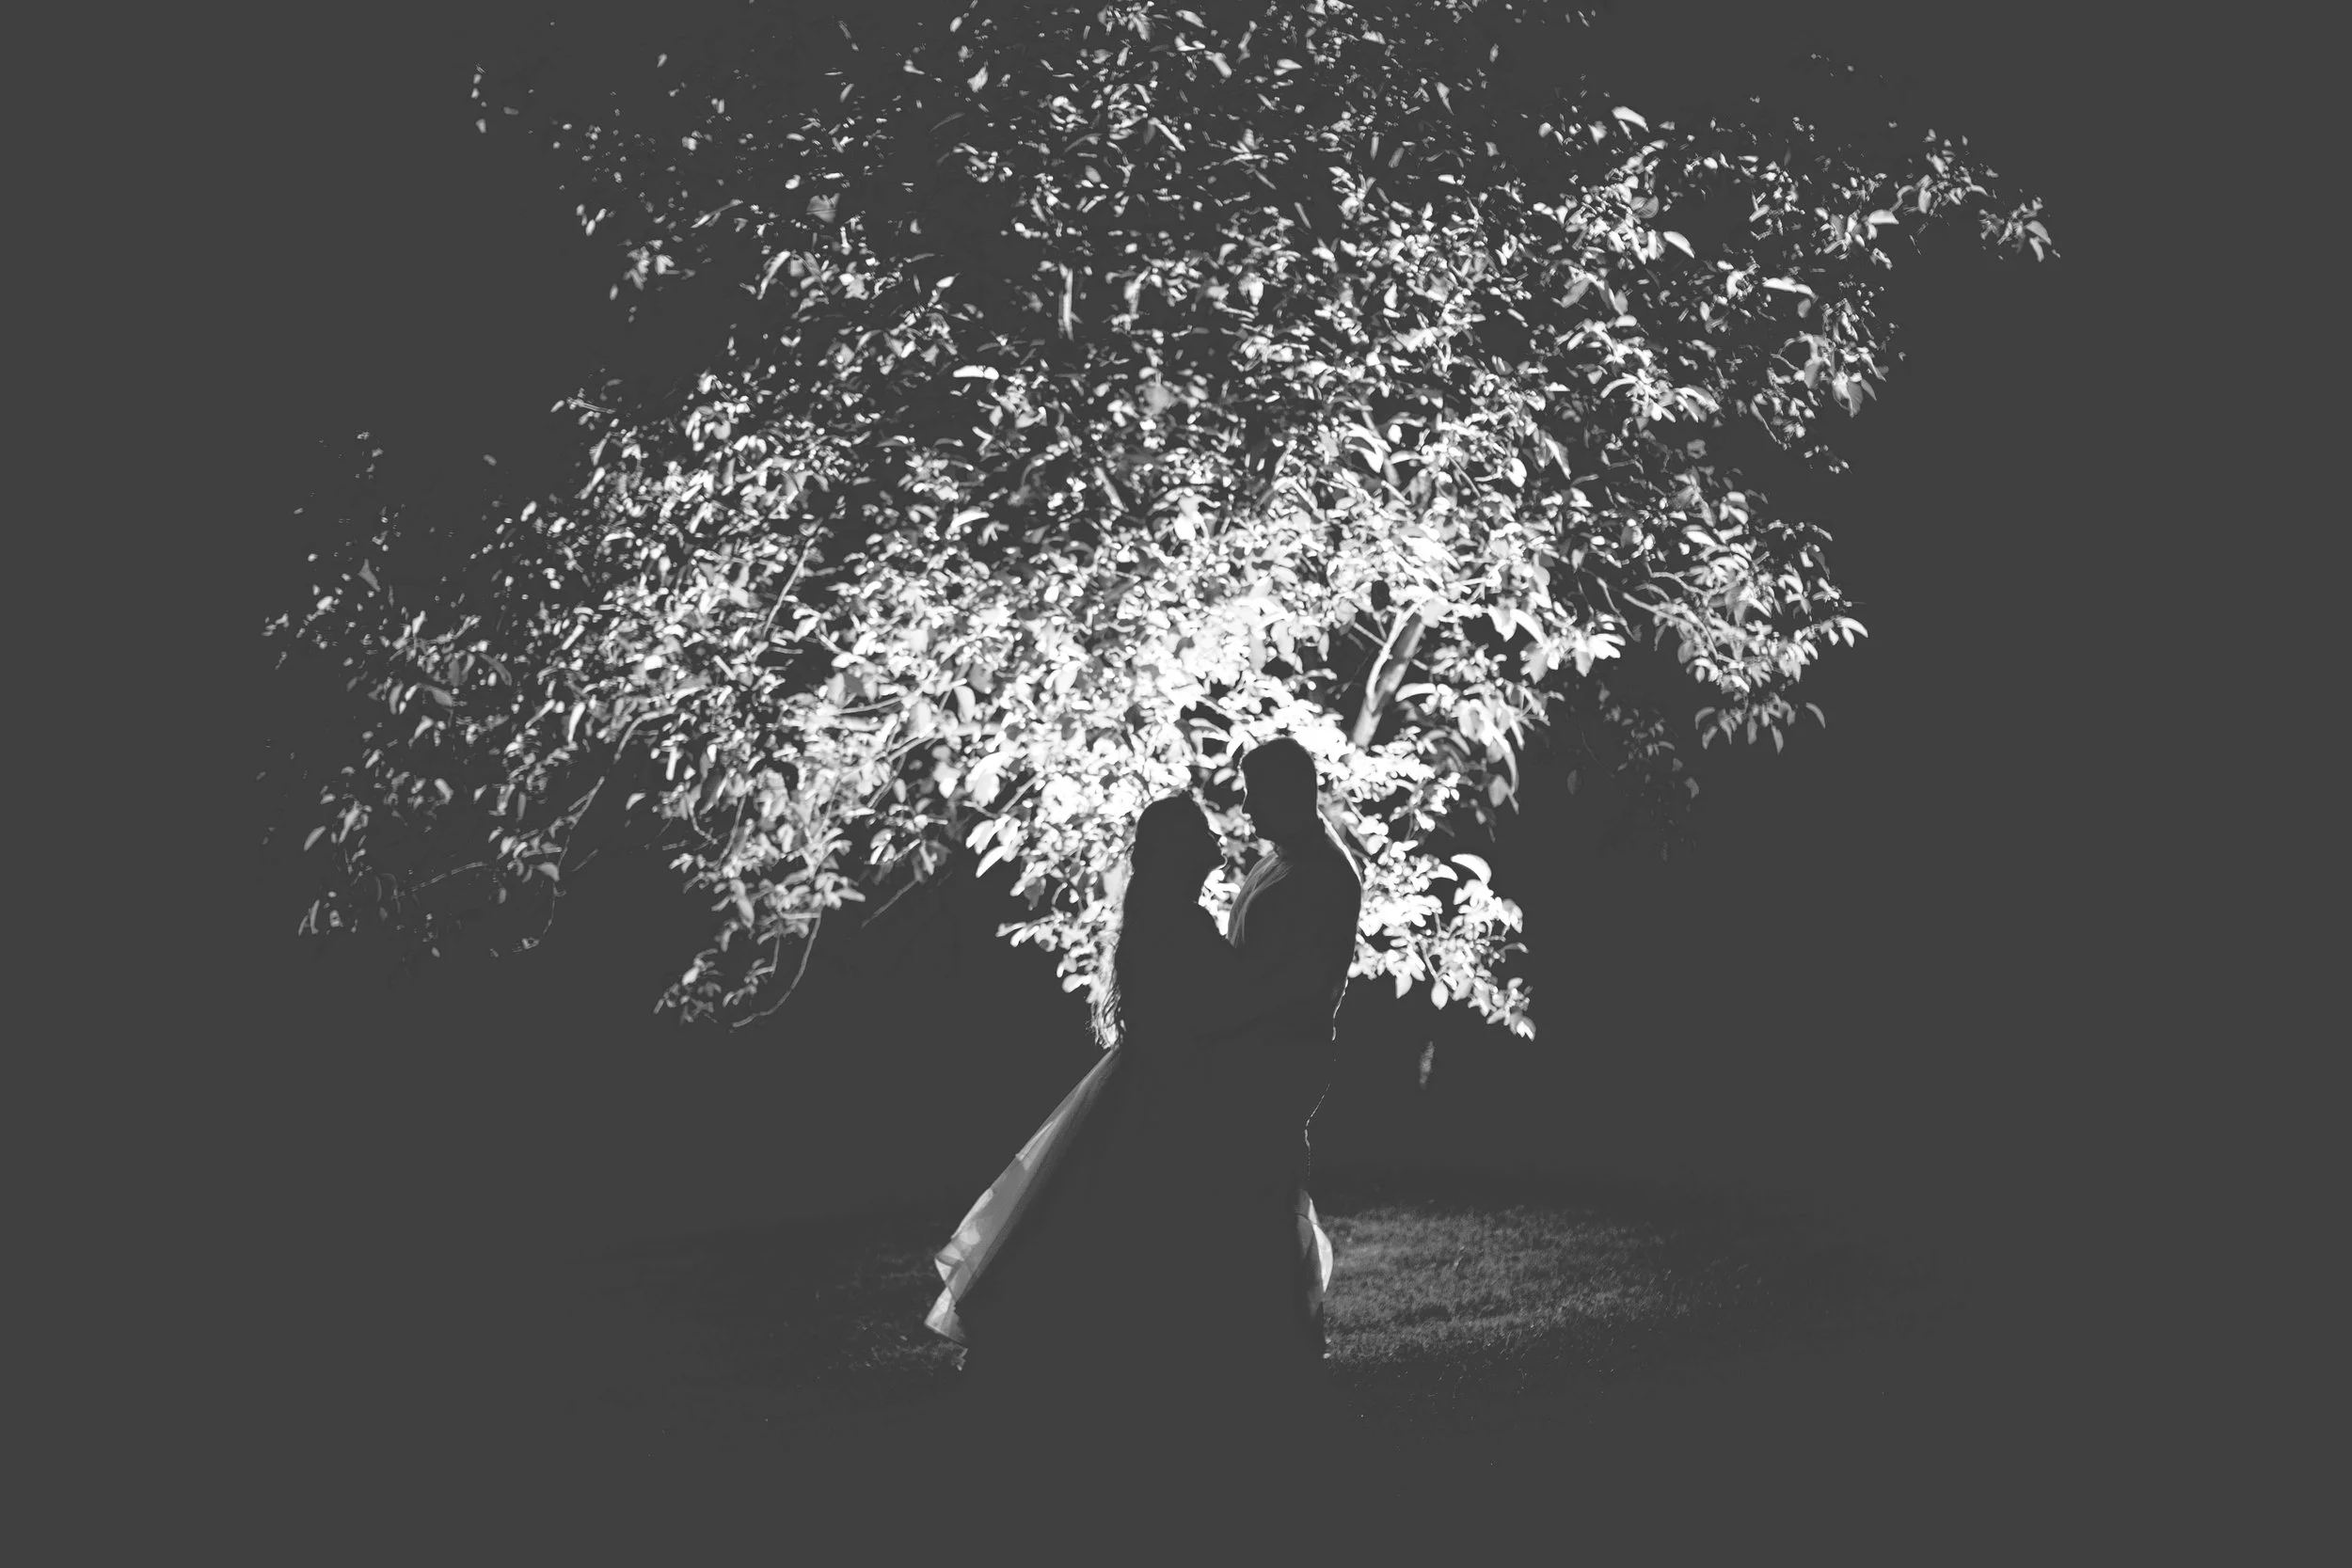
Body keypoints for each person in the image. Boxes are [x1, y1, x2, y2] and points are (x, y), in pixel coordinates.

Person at [920, 742, 1362, 1480]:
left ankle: (1260, 1349)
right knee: (1203, 1211)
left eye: (1255, 794)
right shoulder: (1214, 901)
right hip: (1194, 1077)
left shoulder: (1320, 874)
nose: (1242, 815)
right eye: (1230, 811)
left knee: (1244, 1196)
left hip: (1264, 1063)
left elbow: (1290, 983)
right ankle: (1237, 1357)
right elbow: (1213, 990)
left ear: (1295, 788)